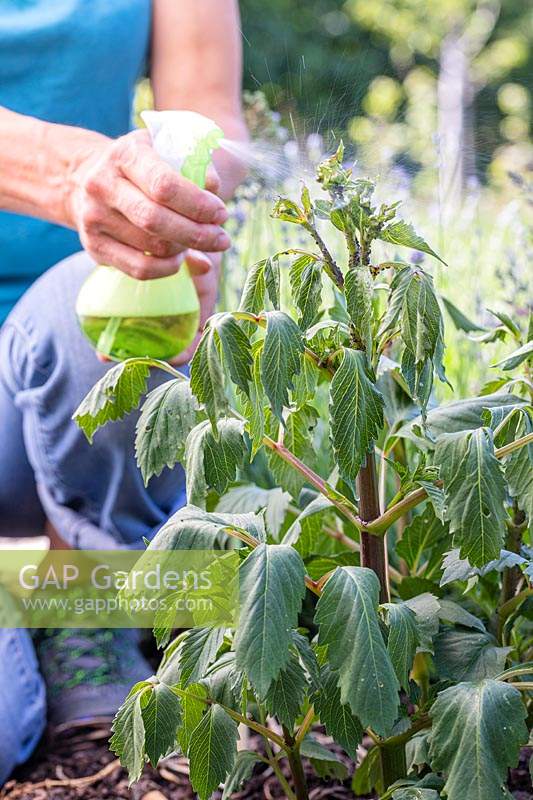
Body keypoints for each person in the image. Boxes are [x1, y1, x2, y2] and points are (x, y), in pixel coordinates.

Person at [0, 0, 247, 784]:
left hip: (68, 344)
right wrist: (75, 174)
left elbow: (213, 115)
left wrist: (179, 201)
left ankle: (89, 601)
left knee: (102, 302)